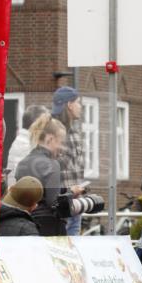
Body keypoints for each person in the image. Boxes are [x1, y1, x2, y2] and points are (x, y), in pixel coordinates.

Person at [15, 113, 85, 236]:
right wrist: (72, 193)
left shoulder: (22, 163)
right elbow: (53, 203)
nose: (62, 148)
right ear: (50, 139)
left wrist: (67, 189)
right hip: (49, 228)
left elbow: (40, 192)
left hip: (25, 225)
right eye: (61, 142)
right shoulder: (52, 164)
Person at [52, 86, 85, 236]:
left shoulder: (75, 131)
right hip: (60, 203)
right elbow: (49, 168)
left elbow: (76, 166)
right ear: (69, 105)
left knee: (75, 250)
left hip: (76, 204)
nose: (81, 106)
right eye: (78, 102)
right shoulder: (52, 132)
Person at [5, 104, 48, 187]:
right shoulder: (24, 145)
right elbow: (25, 182)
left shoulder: (27, 142)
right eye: (45, 123)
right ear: (36, 124)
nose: (48, 127)